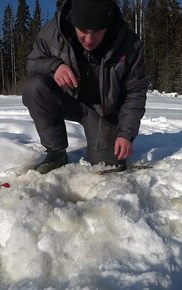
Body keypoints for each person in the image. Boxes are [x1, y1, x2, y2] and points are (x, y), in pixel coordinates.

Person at [22, 0, 148, 174]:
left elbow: (135, 93)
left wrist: (126, 134)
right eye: (83, 30)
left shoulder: (129, 44)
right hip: (67, 98)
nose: (89, 39)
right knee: (34, 87)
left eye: (97, 31)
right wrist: (54, 67)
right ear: (73, 20)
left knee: (109, 167)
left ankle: (102, 143)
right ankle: (56, 152)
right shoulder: (53, 32)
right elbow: (32, 63)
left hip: (103, 112)